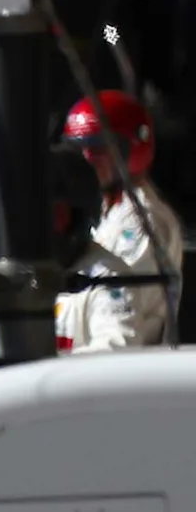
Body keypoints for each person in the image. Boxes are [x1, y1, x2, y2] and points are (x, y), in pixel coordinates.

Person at [58, 90, 182, 353]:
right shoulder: (102, 209)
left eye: (99, 148)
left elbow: (118, 323)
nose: (87, 159)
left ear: (133, 147)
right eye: (79, 148)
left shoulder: (143, 222)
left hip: (127, 374)